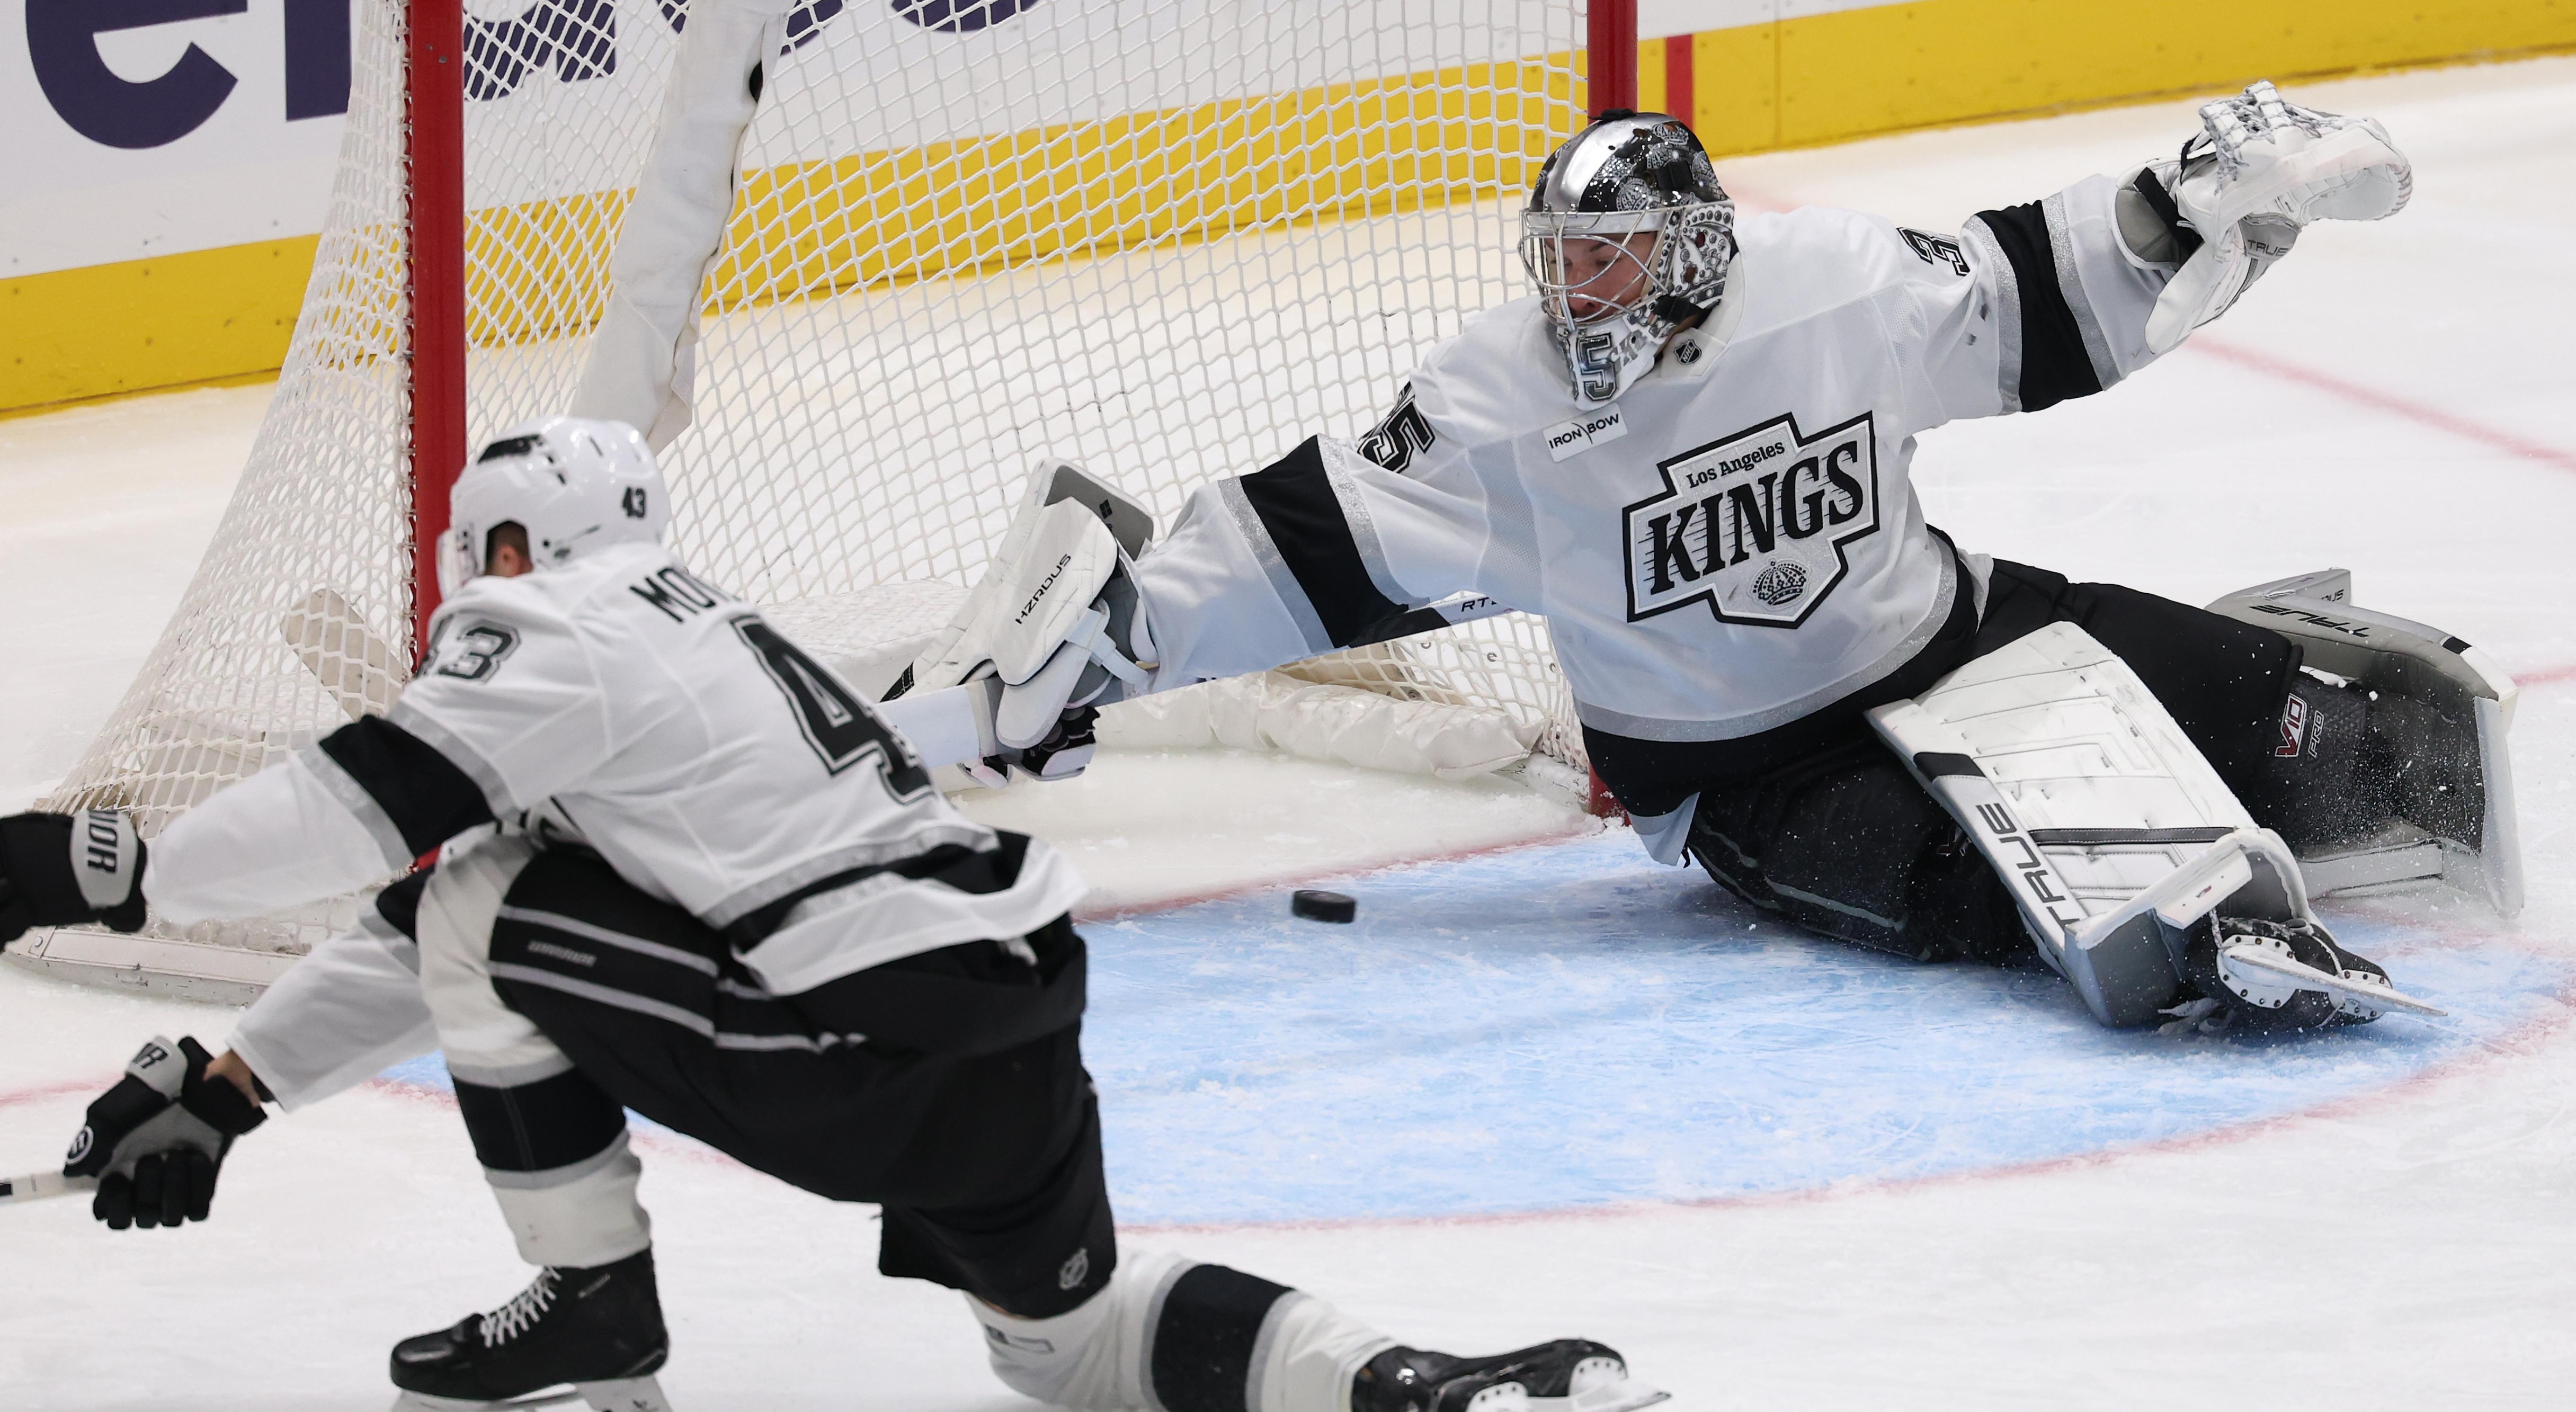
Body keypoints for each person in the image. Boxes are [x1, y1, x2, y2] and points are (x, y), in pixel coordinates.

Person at [0, 417, 1659, 1412]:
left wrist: (113, 869)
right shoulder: (698, 634)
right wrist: (227, 1096)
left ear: (514, 539)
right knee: (1072, 1354)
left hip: (865, 1028)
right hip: (1014, 1003)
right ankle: (1402, 1384)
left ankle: (598, 1310)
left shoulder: (551, 628)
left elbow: (371, 834)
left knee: (487, 893)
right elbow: (426, 933)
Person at [908, 83, 2493, 1033]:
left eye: (1610, 260)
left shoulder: (1832, 283)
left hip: (1952, 635)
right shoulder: (1496, 407)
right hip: (1743, 776)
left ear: (1699, 253)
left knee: (2348, 748)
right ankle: (2179, 924)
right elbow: (1296, 550)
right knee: (1964, 894)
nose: (1577, 296)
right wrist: (1107, 650)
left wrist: (2191, 203)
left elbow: (2038, 297)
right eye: (1559, 263)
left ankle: (2249, 693)